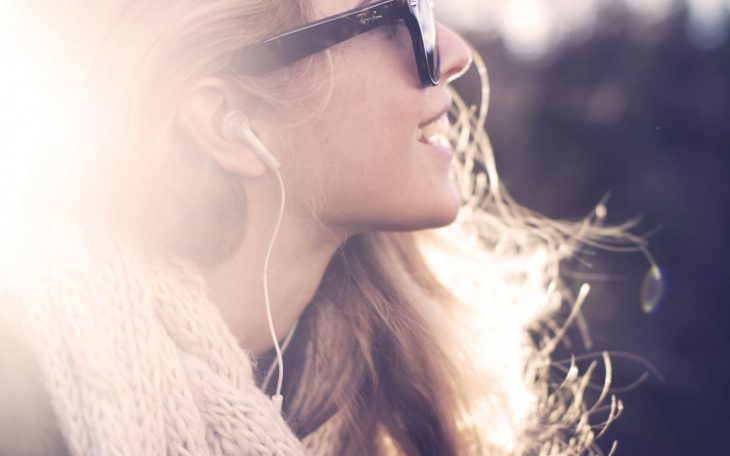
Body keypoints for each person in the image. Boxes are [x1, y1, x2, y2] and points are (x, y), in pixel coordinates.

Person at [0, 0, 626, 454]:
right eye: (393, 16)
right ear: (227, 122)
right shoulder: (26, 403)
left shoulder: (396, 401)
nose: (455, 55)